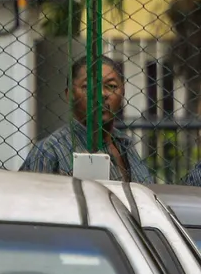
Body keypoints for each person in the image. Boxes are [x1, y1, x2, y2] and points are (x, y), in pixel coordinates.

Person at [22, 56, 154, 183]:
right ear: (70, 95)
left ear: (123, 93)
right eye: (88, 87)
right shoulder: (50, 152)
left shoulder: (126, 145)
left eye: (111, 86)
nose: (101, 94)